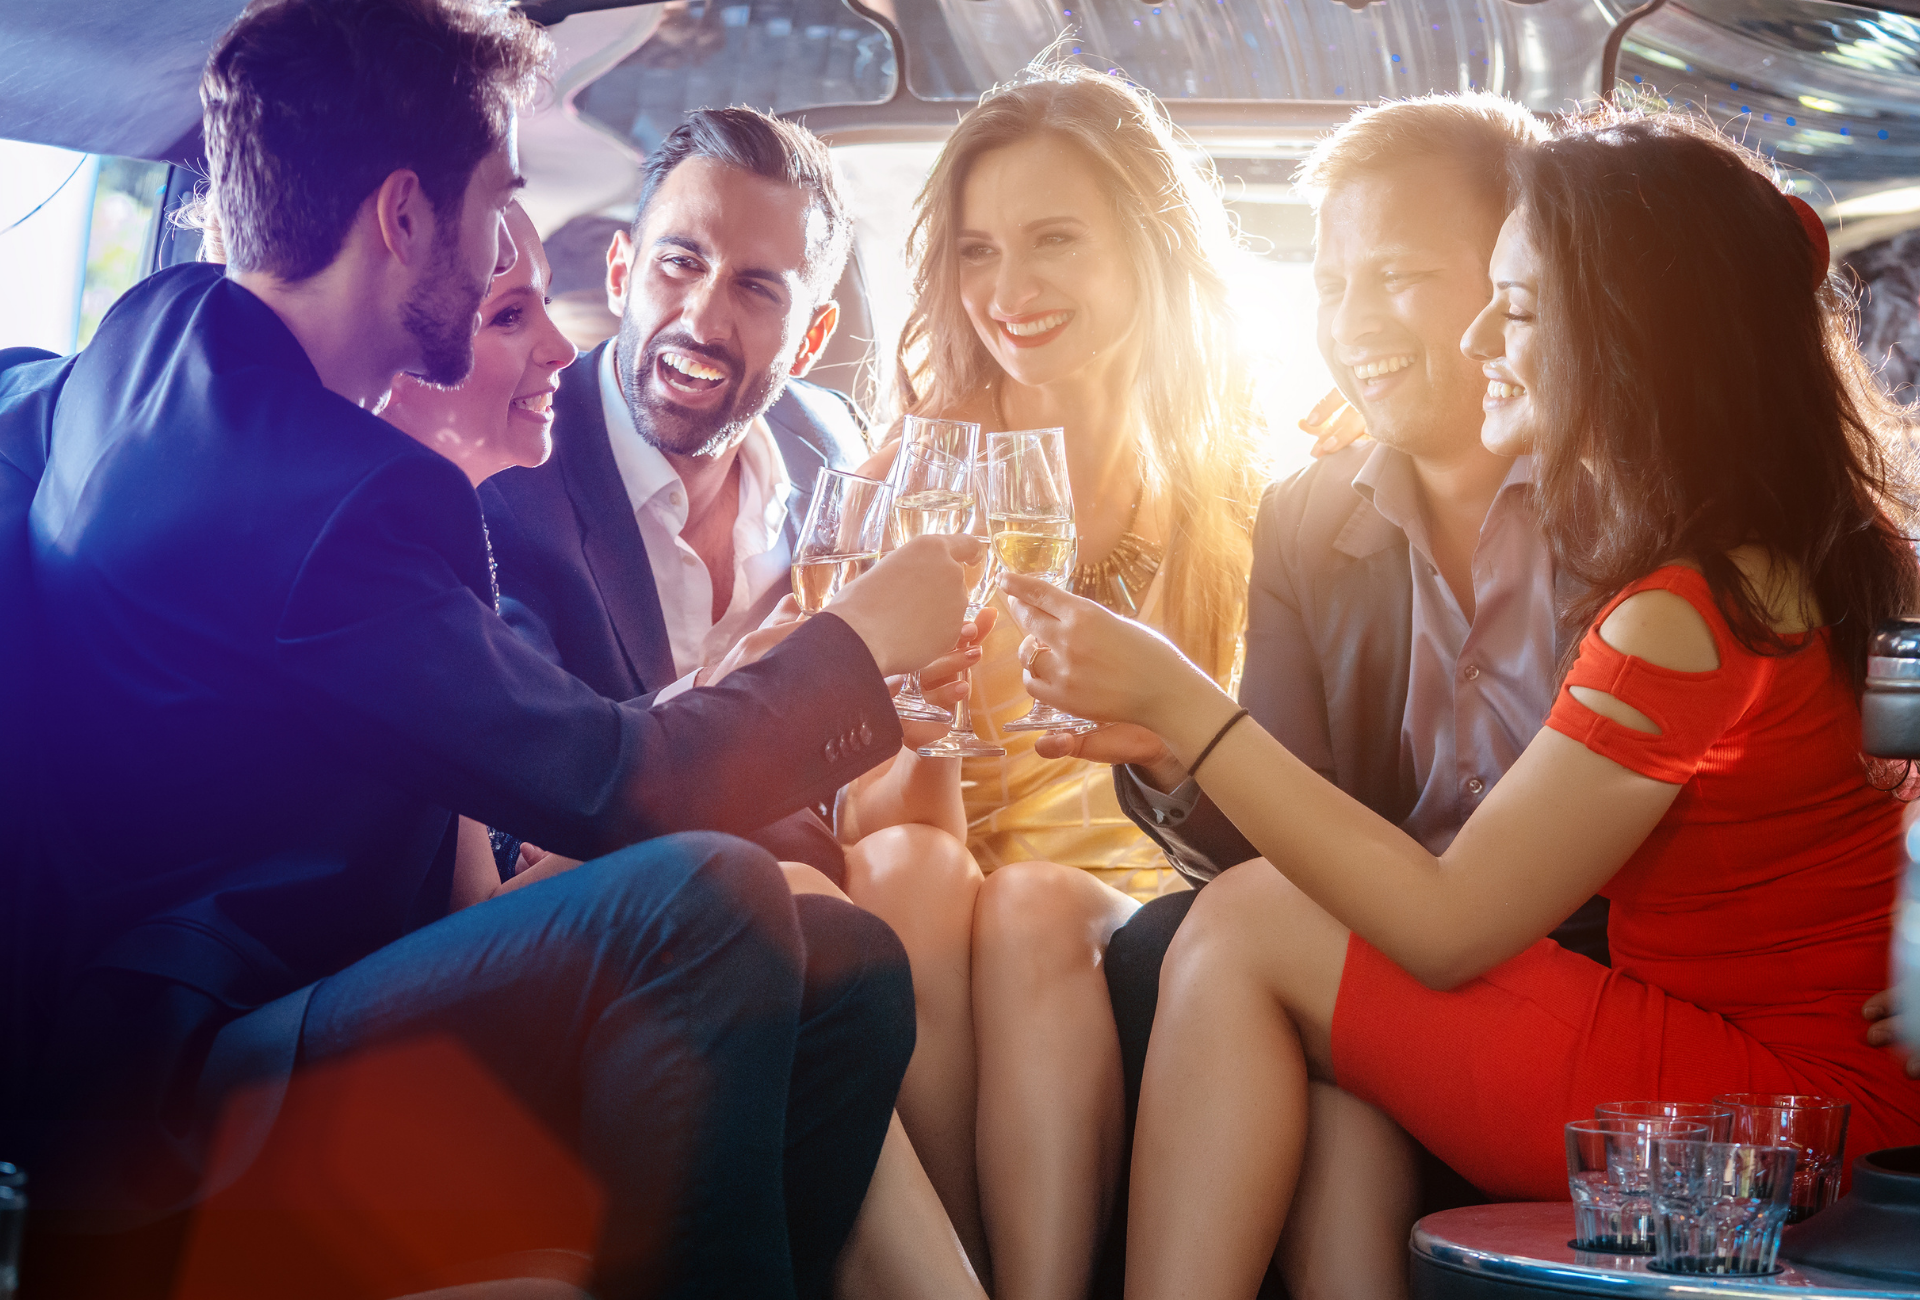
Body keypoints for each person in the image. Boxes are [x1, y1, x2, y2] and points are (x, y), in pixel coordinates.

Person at [7, 4, 978, 1298]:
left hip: (225, 1015)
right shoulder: (334, 497)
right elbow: (630, 786)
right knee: (710, 905)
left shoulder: (146, 343)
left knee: (849, 969)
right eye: (495, 202)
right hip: (175, 1105)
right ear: (405, 217)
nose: (507, 243)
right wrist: (863, 644)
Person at [1004, 104, 1920, 1300]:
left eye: (1523, 308)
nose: (1487, 336)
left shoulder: (1682, 613)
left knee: (1244, 924)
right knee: (1318, 1066)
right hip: (1809, 1086)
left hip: (1770, 1119)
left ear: (1633, 339)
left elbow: (1448, 921)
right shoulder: (1813, 551)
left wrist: (1188, 707)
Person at [829, 60, 1266, 1296]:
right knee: (918, 868)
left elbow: (1275, 791)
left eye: (1053, 241)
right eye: (976, 252)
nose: (1007, 293)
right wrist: (923, 714)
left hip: (1147, 905)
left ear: (1148, 246)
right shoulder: (899, 486)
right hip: (951, 900)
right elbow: (876, 818)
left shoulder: (1245, 489)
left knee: (1032, 911)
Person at [479, 106, 917, 885]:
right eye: (679, 264)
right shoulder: (508, 488)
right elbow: (523, 805)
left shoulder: (838, 448)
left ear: (812, 338)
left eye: (756, 289)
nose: (703, 319)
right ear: (621, 273)